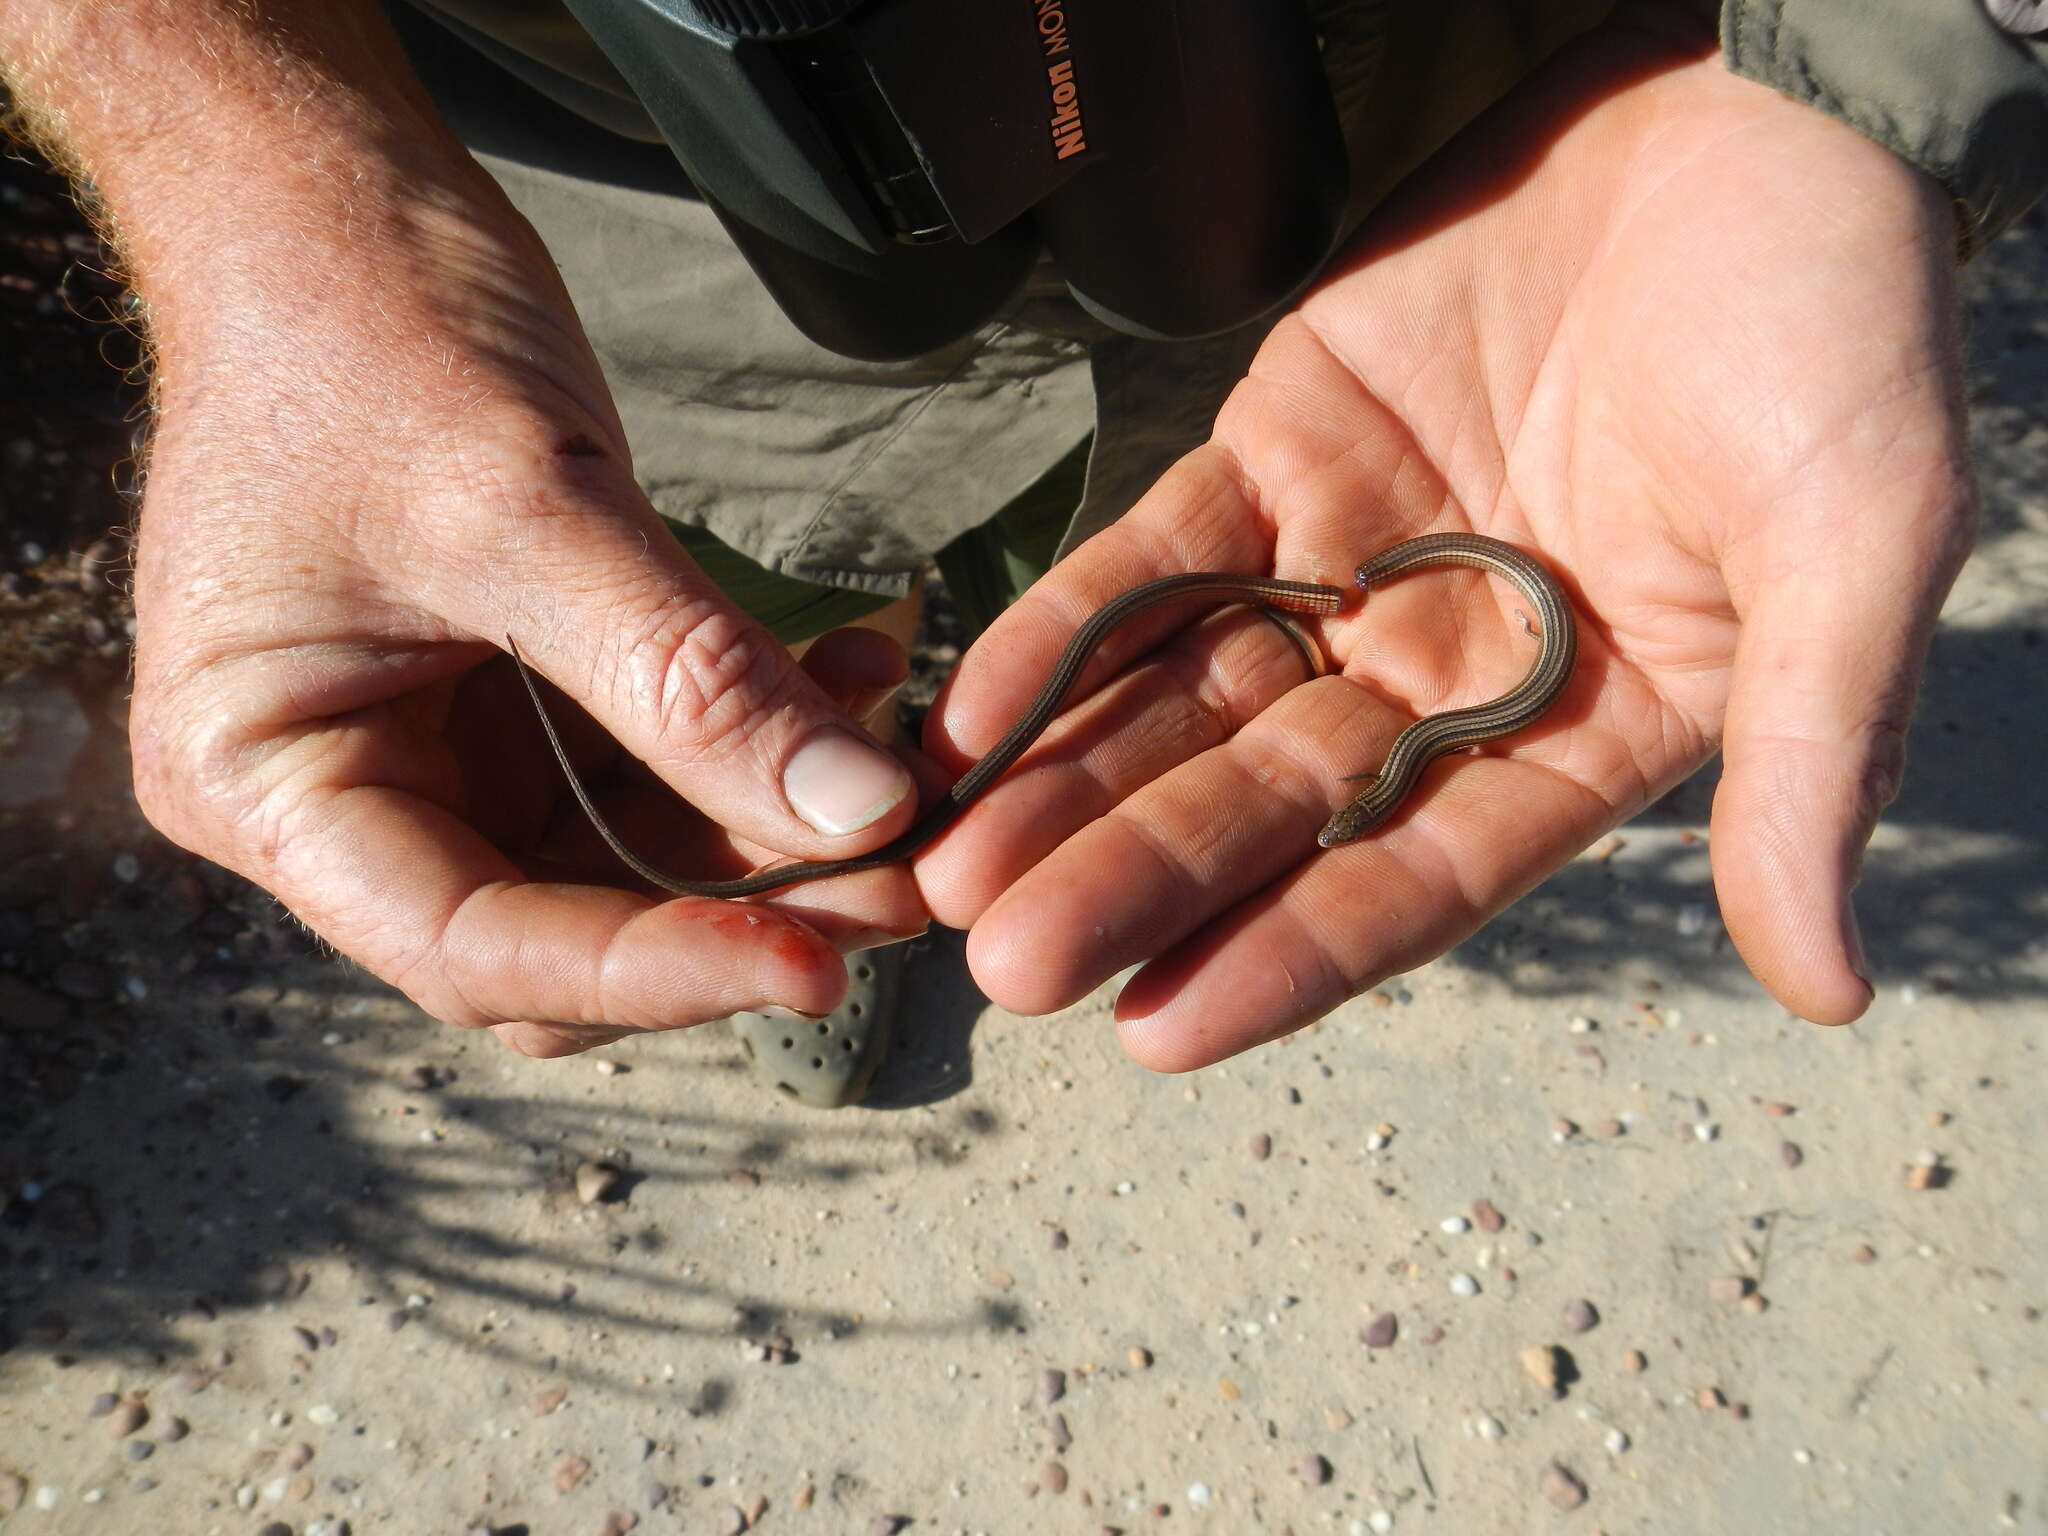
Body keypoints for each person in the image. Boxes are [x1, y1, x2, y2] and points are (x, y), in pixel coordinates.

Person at [3, 2, 2042, 1098]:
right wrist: (252, 174)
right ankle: (841, 859)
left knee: (1044, 652)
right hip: (664, 246)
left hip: (1454, 185)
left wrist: (1865, 65)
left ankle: (879, 828)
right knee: (744, 623)